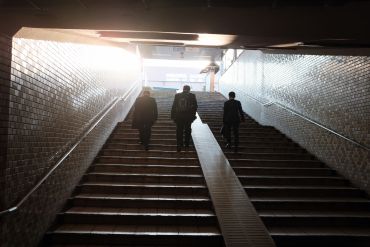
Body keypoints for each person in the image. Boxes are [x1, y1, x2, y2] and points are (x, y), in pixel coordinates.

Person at [171, 85, 198, 152]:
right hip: (188, 117)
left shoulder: (177, 95)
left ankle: (179, 144)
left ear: (183, 89)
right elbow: (195, 106)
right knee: (188, 130)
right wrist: (193, 116)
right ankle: (186, 144)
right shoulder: (192, 96)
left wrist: (173, 116)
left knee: (179, 130)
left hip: (179, 117)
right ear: (189, 90)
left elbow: (174, 106)